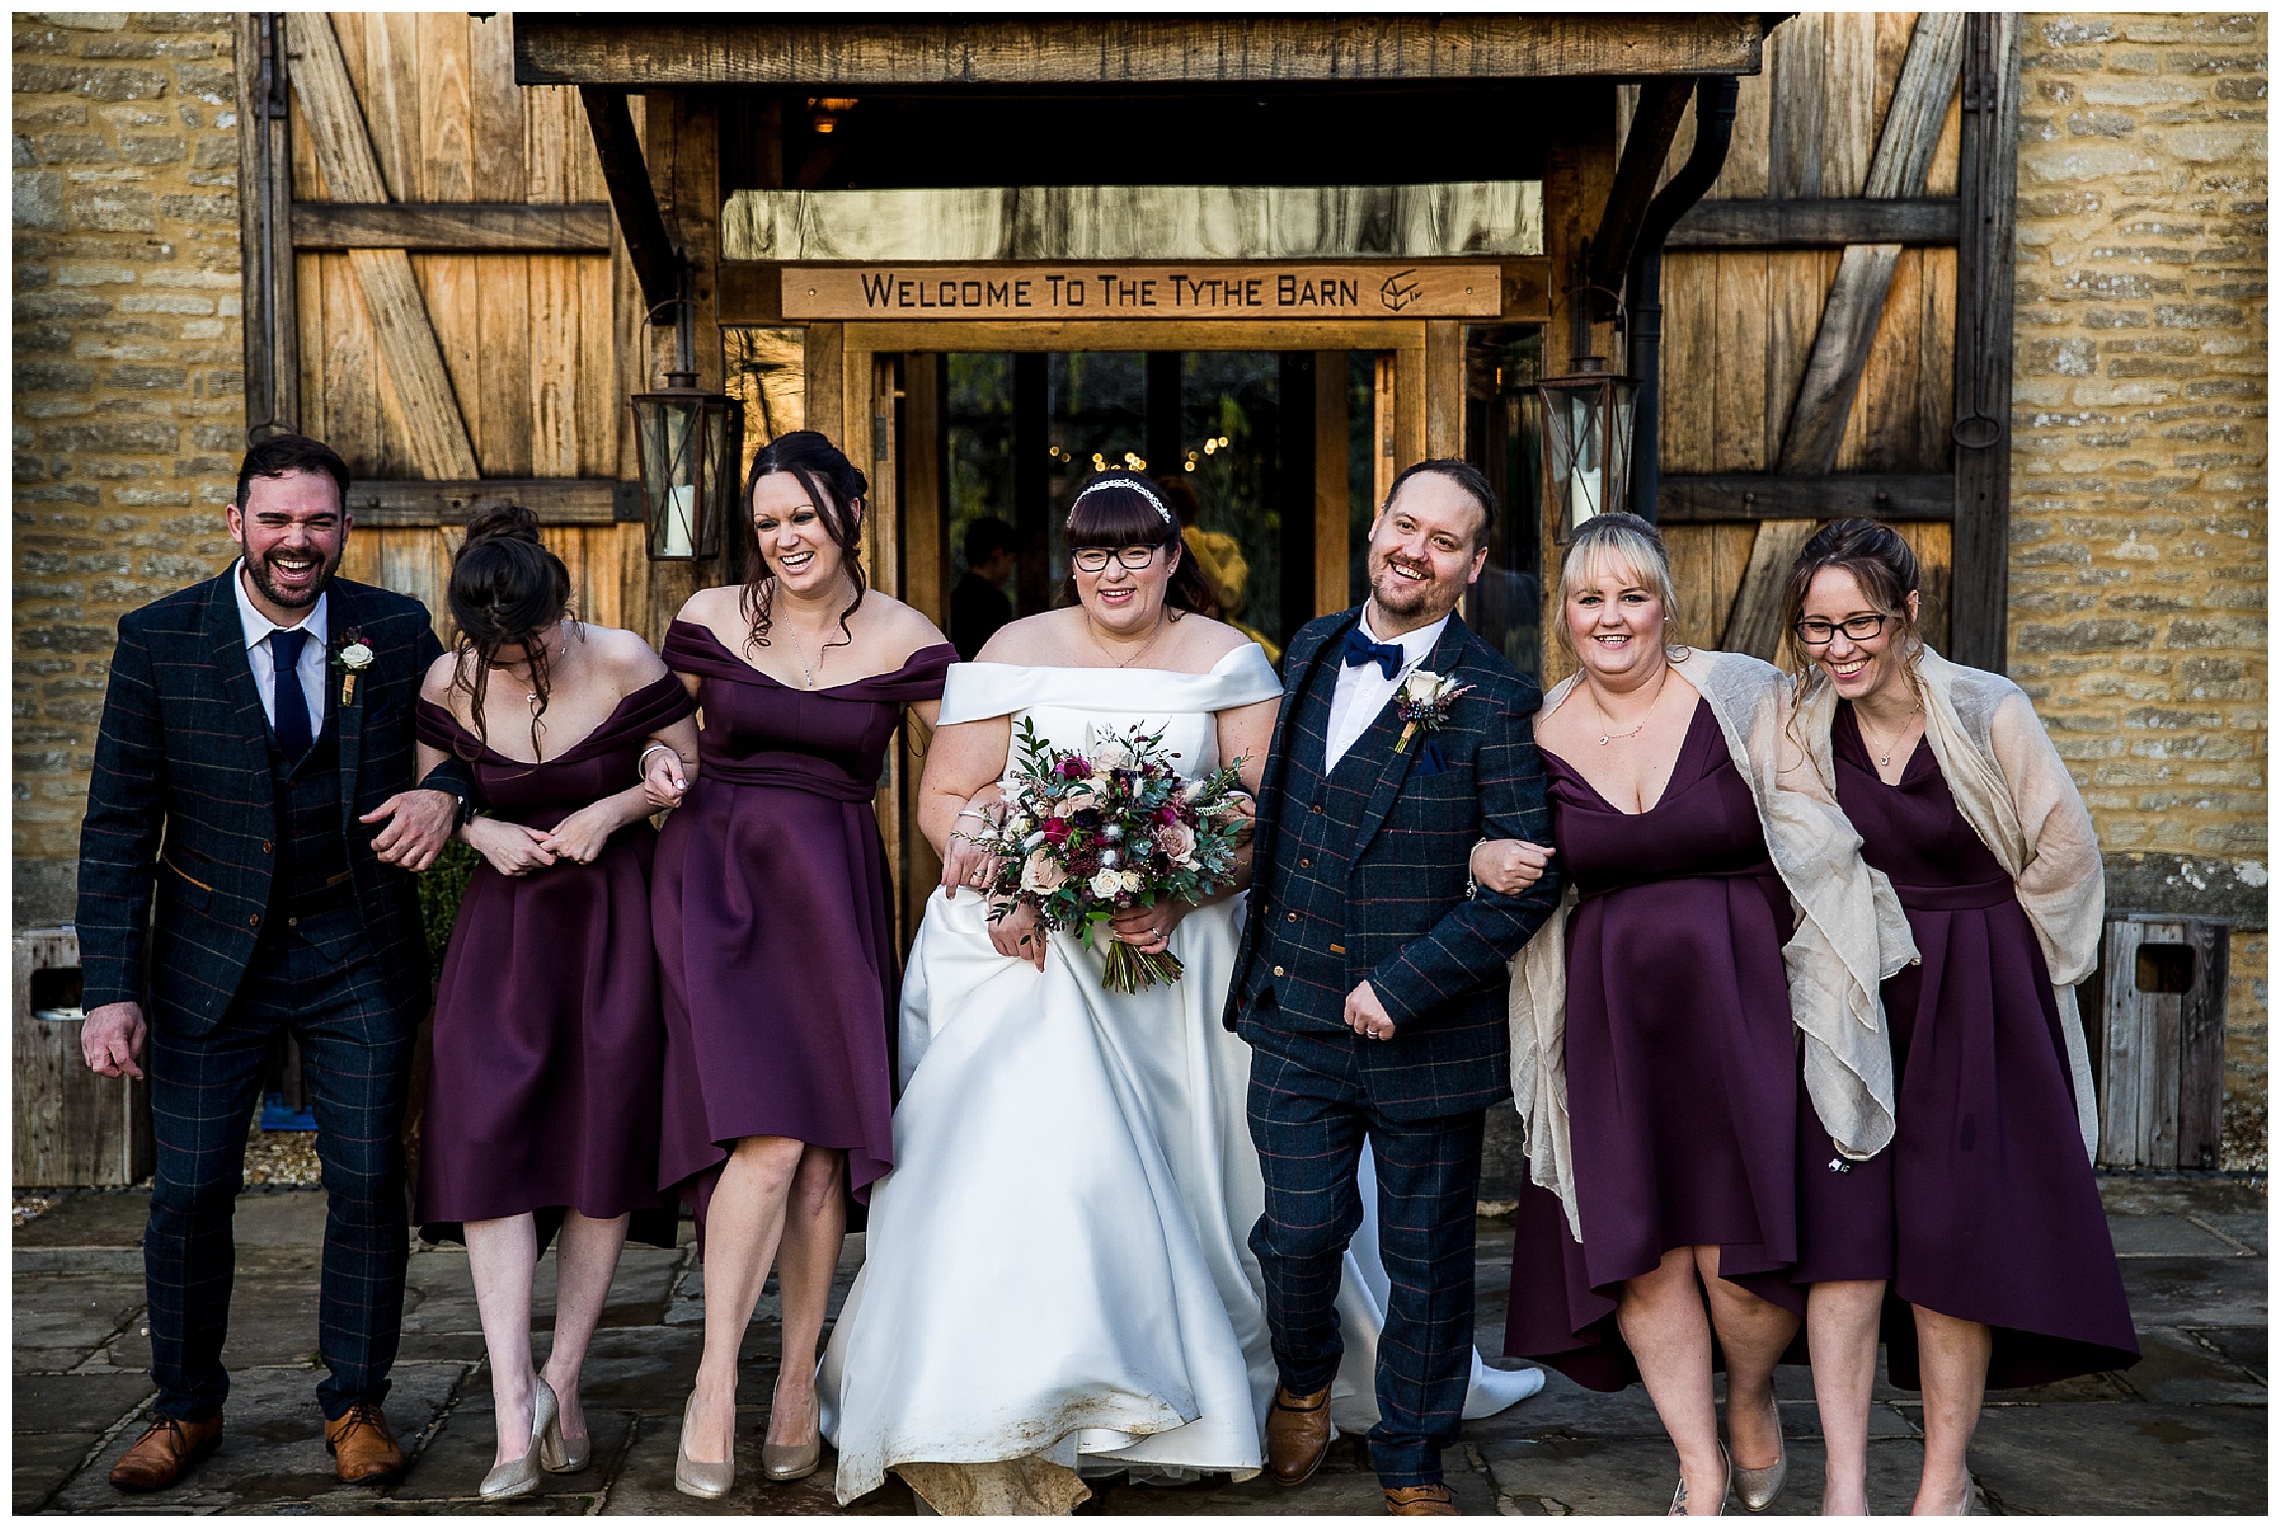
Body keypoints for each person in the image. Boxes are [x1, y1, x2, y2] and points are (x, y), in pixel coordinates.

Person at [821, 470, 1285, 1513]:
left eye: (1134, 551)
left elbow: (1258, 810)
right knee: (1039, 1165)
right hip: (1027, 940)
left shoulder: (1228, 661)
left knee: (1186, 1172)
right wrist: (1008, 870)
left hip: (1172, 947)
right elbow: (950, 796)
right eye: (1091, 553)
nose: (1112, 572)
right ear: (1068, 562)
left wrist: (1184, 888)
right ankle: (1012, 1382)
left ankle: (1178, 1373)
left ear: (1175, 558)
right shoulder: (1013, 650)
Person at [1486, 512, 1907, 1515]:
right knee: (1638, 1249)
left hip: (1744, 1005)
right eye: (1590, 599)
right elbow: (1502, 845)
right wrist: (1478, 856)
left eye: (1633, 595)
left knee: (1742, 1264)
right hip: (1613, 1019)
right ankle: (1700, 1467)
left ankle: (1752, 1395)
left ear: (1667, 604)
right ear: (1563, 616)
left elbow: (1824, 833)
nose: (1613, 618)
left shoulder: (1742, 694)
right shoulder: (1535, 729)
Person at [75, 433, 474, 1492]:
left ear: (343, 525)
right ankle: (187, 1408)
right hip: (209, 957)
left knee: (366, 1179)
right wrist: (112, 988)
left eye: (319, 520)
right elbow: (117, 824)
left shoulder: (394, 630)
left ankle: (355, 1401)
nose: (298, 541)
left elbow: (476, 743)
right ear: (237, 522)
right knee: (191, 1193)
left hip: (356, 945)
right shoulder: (160, 640)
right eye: (277, 519)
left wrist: (451, 793)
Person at [1228, 459, 1565, 1517]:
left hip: (1423, 1029)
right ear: (1376, 528)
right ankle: (1305, 1372)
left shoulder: (1501, 696)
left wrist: (1404, 983)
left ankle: (1413, 1454)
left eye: (1446, 539)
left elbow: (1526, 881)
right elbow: (1288, 819)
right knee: (1295, 1233)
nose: (1415, 549)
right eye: (1404, 525)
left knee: (1428, 1260)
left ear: (1471, 568)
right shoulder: (1314, 646)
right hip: (1292, 1013)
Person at [1780, 519, 2138, 1515]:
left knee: (1951, 1242)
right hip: (1859, 996)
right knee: (1845, 1249)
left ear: (1909, 614)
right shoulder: (1803, 722)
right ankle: (1844, 1491)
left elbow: (2066, 853)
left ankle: (1942, 1486)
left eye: (1861, 622)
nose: (1841, 646)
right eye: (1817, 627)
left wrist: (2020, 973)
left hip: (1980, 993)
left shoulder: (1988, 709)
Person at [648, 430, 957, 1498]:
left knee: (824, 1152)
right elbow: (669, 741)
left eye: (805, 518)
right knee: (771, 1140)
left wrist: (1012, 861)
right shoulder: (707, 622)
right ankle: (714, 1381)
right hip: (717, 886)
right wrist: (650, 766)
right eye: (769, 520)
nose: (785, 538)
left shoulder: (912, 637)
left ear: (851, 517)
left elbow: (965, 779)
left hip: (830, 891)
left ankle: (794, 1385)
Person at [409, 504, 699, 1499]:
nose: (517, 667)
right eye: (497, 653)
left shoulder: (621, 658)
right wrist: (475, 827)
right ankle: (508, 1411)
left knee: (599, 1147)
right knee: (488, 1141)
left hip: (611, 926)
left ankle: (563, 1379)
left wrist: (618, 805)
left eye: (529, 647)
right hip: (505, 938)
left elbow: (683, 768)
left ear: (559, 608)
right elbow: (440, 792)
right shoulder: (450, 678)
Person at [949, 515, 1017, 660]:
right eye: (1010, 561)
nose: (1010, 571)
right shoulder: (996, 603)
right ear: (997, 555)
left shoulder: (954, 599)